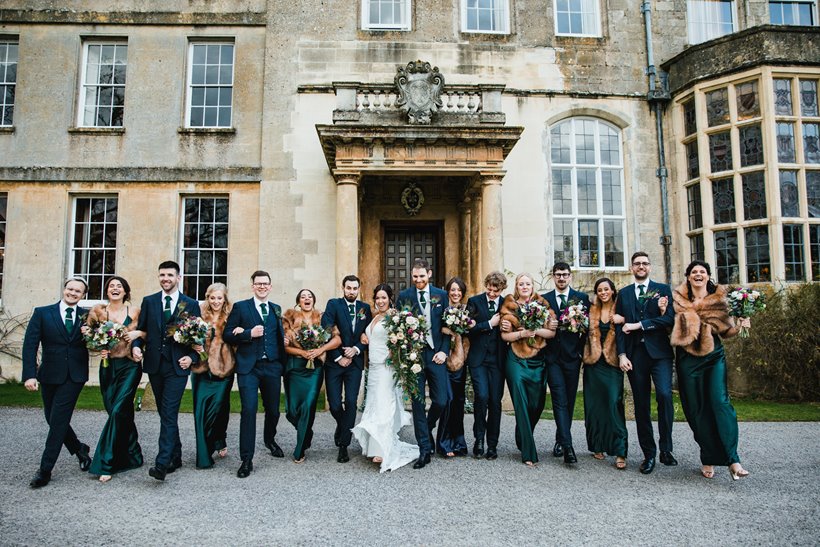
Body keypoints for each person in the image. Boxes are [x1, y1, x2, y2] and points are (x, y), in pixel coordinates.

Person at [670, 260, 751, 480]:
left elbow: (727, 332)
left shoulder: (720, 300)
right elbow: (667, 325)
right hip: (687, 359)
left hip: (714, 357)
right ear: (688, 277)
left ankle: (733, 459)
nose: (698, 274)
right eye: (694, 272)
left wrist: (741, 326)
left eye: (702, 272)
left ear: (708, 276)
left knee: (720, 403)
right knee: (696, 409)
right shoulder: (676, 300)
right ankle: (708, 455)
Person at [132, 261, 201, 481]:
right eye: (162, 275)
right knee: (165, 413)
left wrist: (191, 358)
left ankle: (162, 463)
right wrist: (135, 348)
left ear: (178, 278)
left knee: (169, 412)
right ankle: (176, 455)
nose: (165, 278)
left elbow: (199, 340)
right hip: (155, 364)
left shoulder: (190, 304)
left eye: (170, 275)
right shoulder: (150, 302)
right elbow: (142, 331)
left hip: (177, 366)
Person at [22, 277, 94, 488]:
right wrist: (29, 374)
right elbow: (30, 345)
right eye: (70, 289)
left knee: (59, 420)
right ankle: (79, 448)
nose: (73, 293)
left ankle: (45, 470)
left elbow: (98, 342)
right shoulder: (43, 313)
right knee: (51, 418)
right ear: (64, 289)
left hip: (75, 376)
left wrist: (92, 335)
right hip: (49, 374)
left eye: (78, 291)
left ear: (83, 295)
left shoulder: (87, 317)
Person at [614, 251, 677, 475]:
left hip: (660, 353)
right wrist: (622, 355)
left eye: (645, 263)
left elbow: (668, 319)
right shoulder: (624, 293)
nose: (641, 266)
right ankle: (648, 454)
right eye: (637, 264)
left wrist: (639, 325)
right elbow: (620, 329)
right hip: (635, 355)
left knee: (664, 395)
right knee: (641, 405)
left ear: (650, 267)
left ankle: (666, 449)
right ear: (632, 268)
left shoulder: (663, 290)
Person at [223, 270, 287, 479]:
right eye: (258, 283)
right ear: (252, 286)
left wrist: (281, 361)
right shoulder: (241, 307)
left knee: (273, 411)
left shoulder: (276, 309)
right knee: (248, 410)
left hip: (272, 367)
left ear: (270, 286)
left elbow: (278, 335)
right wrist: (249, 333)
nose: (262, 286)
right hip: (248, 368)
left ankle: (269, 439)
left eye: (265, 284)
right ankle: (246, 459)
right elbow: (227, 334)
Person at [352, 284, 419, 472]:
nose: (380, 301)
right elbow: (370, 336)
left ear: (390, 298)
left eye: (383, 298)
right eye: (377, 298)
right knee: (374, 405)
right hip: (372, 368)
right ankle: (374, 447)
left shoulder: (394, 317)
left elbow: (403, 340)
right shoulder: (375, 318)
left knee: (383, 406)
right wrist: (364, 337)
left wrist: (394, 354)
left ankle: (382, 448)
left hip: (386, 368)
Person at [86, 276, 145, 482]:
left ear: (125, 291)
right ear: (107, 290)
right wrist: (98, 347)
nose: (115, 288)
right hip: (108, 367)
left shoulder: (135, 311)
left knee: (119, 409)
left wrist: (138, 335)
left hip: (130, 366)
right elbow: (87, 335)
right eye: (111, 286)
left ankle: (106, 462)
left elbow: (148, 333)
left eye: (119, 286)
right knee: (117, 410)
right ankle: (133, 454)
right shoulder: (98, 311)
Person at [397, 259, 451, 469]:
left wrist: (444, 351)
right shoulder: (404, 297)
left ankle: (427, 428)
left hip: (436, 355)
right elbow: (400, 326)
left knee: (441, 400)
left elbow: (448, 326)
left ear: (429, 274)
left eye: (422, 276)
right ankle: (424, 450)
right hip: (414, 357)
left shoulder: (441, 295)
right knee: (418, 404)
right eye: (415, 276)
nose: (418, 280)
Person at [499, 273, 556, 467]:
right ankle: (528, 451)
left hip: (538, 360)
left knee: (537, 403)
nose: (525, 286)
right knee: (521, 403)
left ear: (532, 286)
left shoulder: (543, 304)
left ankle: (521, 434)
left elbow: (551, 332)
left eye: (528, 284)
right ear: (517, 286)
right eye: (521, 284)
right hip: (515, 360)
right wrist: (522, 333)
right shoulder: (509, 304)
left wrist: (535, 330)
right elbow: (505, 336)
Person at [282, 289, 340, 463]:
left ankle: (299, 450)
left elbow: (337, 339)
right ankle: (306, 431)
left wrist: (320, 350)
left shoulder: (323, 318)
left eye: (309, 296)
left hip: (314, 369)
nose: (306, 299)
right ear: (298, 301)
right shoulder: (289, 318)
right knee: (291, 411)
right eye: (302, 297)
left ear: (314, 300)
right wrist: (302, 352)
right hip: (295, 368)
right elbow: (284, 346)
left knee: (308, 405)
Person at [541, 262, 590, 465]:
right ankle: (568, 447)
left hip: (572, 357)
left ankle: (561, 438)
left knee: (569, 400)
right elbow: (536, 323)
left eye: (565, 274)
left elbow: (587, 328)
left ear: (570, 276)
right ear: (553, 276)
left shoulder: (582, 299)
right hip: (552, 357)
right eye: (558, 274)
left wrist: (581, 353)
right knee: (559, 399)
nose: (561, 278)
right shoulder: (545, 299)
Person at [320, 274, 372, 463]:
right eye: (348, 288)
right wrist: (339, 356)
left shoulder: (365, 309)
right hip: (335, 363)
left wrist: (357, 349)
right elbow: (326, 329)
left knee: (351, 402)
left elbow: (368, 334)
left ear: (359, 289)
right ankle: (342, 425)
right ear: (343, 288)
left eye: (354, 288)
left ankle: (344, 445)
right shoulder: (333, 305)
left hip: (355, 364)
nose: (351, 291)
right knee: (334, 404)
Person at [582, 278, 628, 470]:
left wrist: (623, 319)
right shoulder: (591, 310)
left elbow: (629, 327)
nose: (603, 292)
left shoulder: (620, 309)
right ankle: (597, 445)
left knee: (613, 403)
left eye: (606, 289)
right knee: (594, 406)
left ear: (612, 290)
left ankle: (620, 451)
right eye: (599, 290)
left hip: (612, 364)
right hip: (593, 364)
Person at [190, 283, 236, 470]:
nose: (216, 301)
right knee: (201, 411)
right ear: (207, 298)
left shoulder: (232, 315)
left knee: (218, 409)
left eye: (219, 298)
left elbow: (237, 340)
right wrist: (194, 345)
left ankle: (217, 440)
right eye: (212, 298)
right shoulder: (199, 315)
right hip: (201, 367)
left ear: (225, 299)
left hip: (224, 368)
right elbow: (187, 335)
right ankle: (204, 453)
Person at [465, 271, 507, 460]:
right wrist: (489, 324)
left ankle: (492, 444)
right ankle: (479, 439)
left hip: (498, 361)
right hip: (478, 360)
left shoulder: (507, 304)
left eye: (496, 290)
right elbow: (467, 328)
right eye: (489, 288)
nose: (491, 292)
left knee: (495, 403)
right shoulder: (474, 302)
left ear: (502, 289)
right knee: (481, 397)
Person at [436, 276, 470, 458]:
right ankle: (443, 442)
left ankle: (459, 442)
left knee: (458, 402)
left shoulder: (467, 311)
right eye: (453, 290)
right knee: (447, 400)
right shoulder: (441, 309)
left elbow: (470, 331)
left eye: (459, 290)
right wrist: (447, 330)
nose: (456, 293)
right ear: (448, 291)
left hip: (460, 361)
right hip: (443, 361)